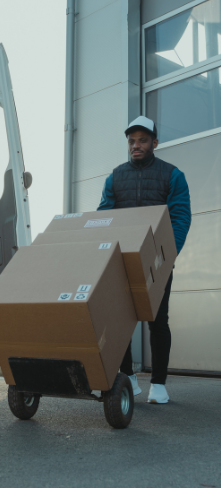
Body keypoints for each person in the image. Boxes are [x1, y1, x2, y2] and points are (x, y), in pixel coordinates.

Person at [97, 116, 191, 404]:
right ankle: (129, 376)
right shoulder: (115, 177)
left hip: (157, 262)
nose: (135, 145)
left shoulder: (172, 175)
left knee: (157, 321)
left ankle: (159, 385)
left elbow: (180, 218)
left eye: (142, 140)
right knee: (120, 320)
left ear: (155, 143)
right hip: (121, 261)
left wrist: (168, 256)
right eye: (131, 141)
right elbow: (104, 216)